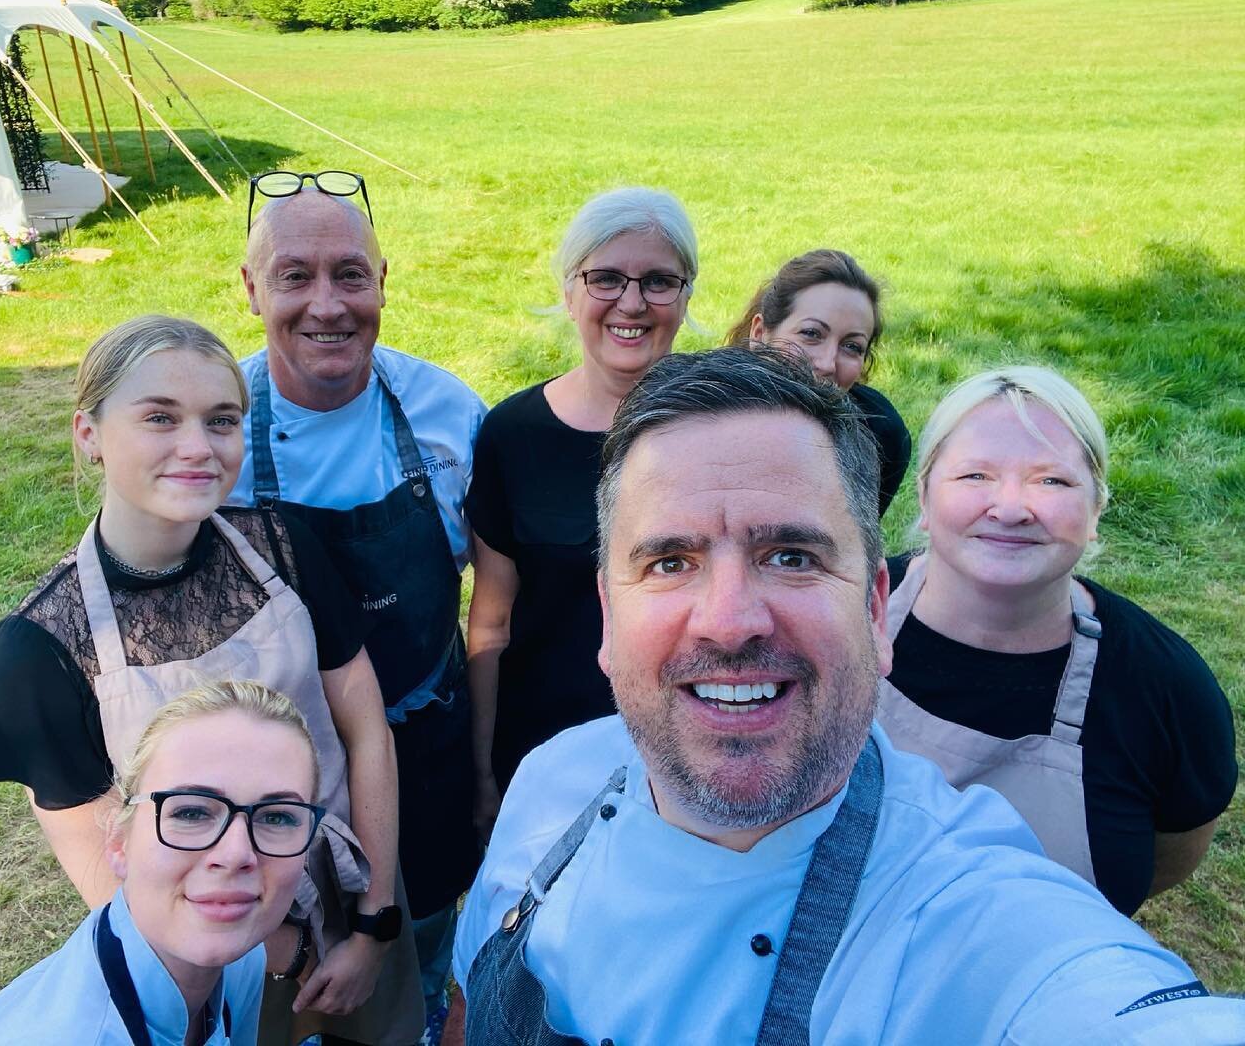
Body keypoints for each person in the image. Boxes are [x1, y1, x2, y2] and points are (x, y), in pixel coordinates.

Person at [447, 347, 1244, 1044]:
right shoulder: (552, 783)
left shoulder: (970, 927)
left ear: (873, 608)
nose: (728, 623)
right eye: (669, 562)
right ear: (609, 616)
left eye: (791, 556)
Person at [0, 316, 420, 1044]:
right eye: (160, 418)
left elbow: (366, 734)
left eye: (222, 419)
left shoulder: (287, 546)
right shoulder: (40, 648)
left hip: (349, 884)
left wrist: (374, 924)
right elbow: (101, 854)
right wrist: (275, 951)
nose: (198, 447)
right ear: (88, 433)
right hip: (212, 947)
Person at [232, 174, 485, 1040]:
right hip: (275, 772)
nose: (327, 305)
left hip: (427, 754)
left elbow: (496, 602)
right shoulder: (214, 431)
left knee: (419, 951)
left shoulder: (451, 416)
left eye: (350, 274)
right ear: (250, 288)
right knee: (290, 973)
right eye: (294, 276)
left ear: (385, 280)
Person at [880, 365, 1236, 915]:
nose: (1011, 508)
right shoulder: (844, 613)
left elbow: (1168, 860)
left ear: (1096, 510)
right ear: (925, 497)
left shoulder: (1166, 688)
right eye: (975, 476)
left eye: (1053, 481)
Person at [465, 187, 698, 833]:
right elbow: (491, 623)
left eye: (658, 281)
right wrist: (483, 773)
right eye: (605, 279)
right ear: (570, 292)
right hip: (542, 757)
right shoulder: (514, 434)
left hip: (687, 750)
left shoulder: (718, 427)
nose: (631, 303)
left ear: (685, 296)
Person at [0, 680, 322, 1045]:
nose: (236, 854)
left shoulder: (243, 960)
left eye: (277, 817)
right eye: (191, 812)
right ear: (118, 840)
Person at [725, 249, 911, 516]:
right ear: (759, 334)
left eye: (852, 346)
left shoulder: (879, 433)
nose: (827, 364)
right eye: (811, 334)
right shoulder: (699, 422)